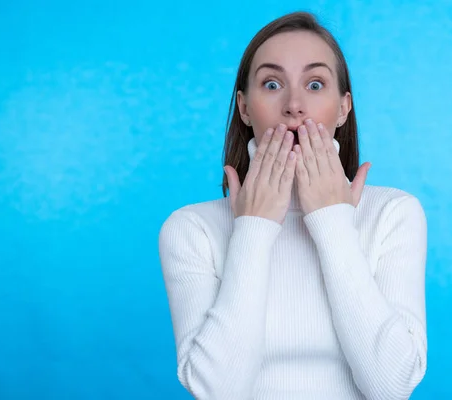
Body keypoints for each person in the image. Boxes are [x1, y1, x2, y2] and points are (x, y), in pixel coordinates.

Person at [158, 11, 428, 400]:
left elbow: (393, 386)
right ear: (245, 108)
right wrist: (253, 227)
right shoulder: (192, 228)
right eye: (271, 84)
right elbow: (218, 391)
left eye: (315, 84)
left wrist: (333, 222)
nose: (295, 106)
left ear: (343, 108)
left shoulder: (392, 213)